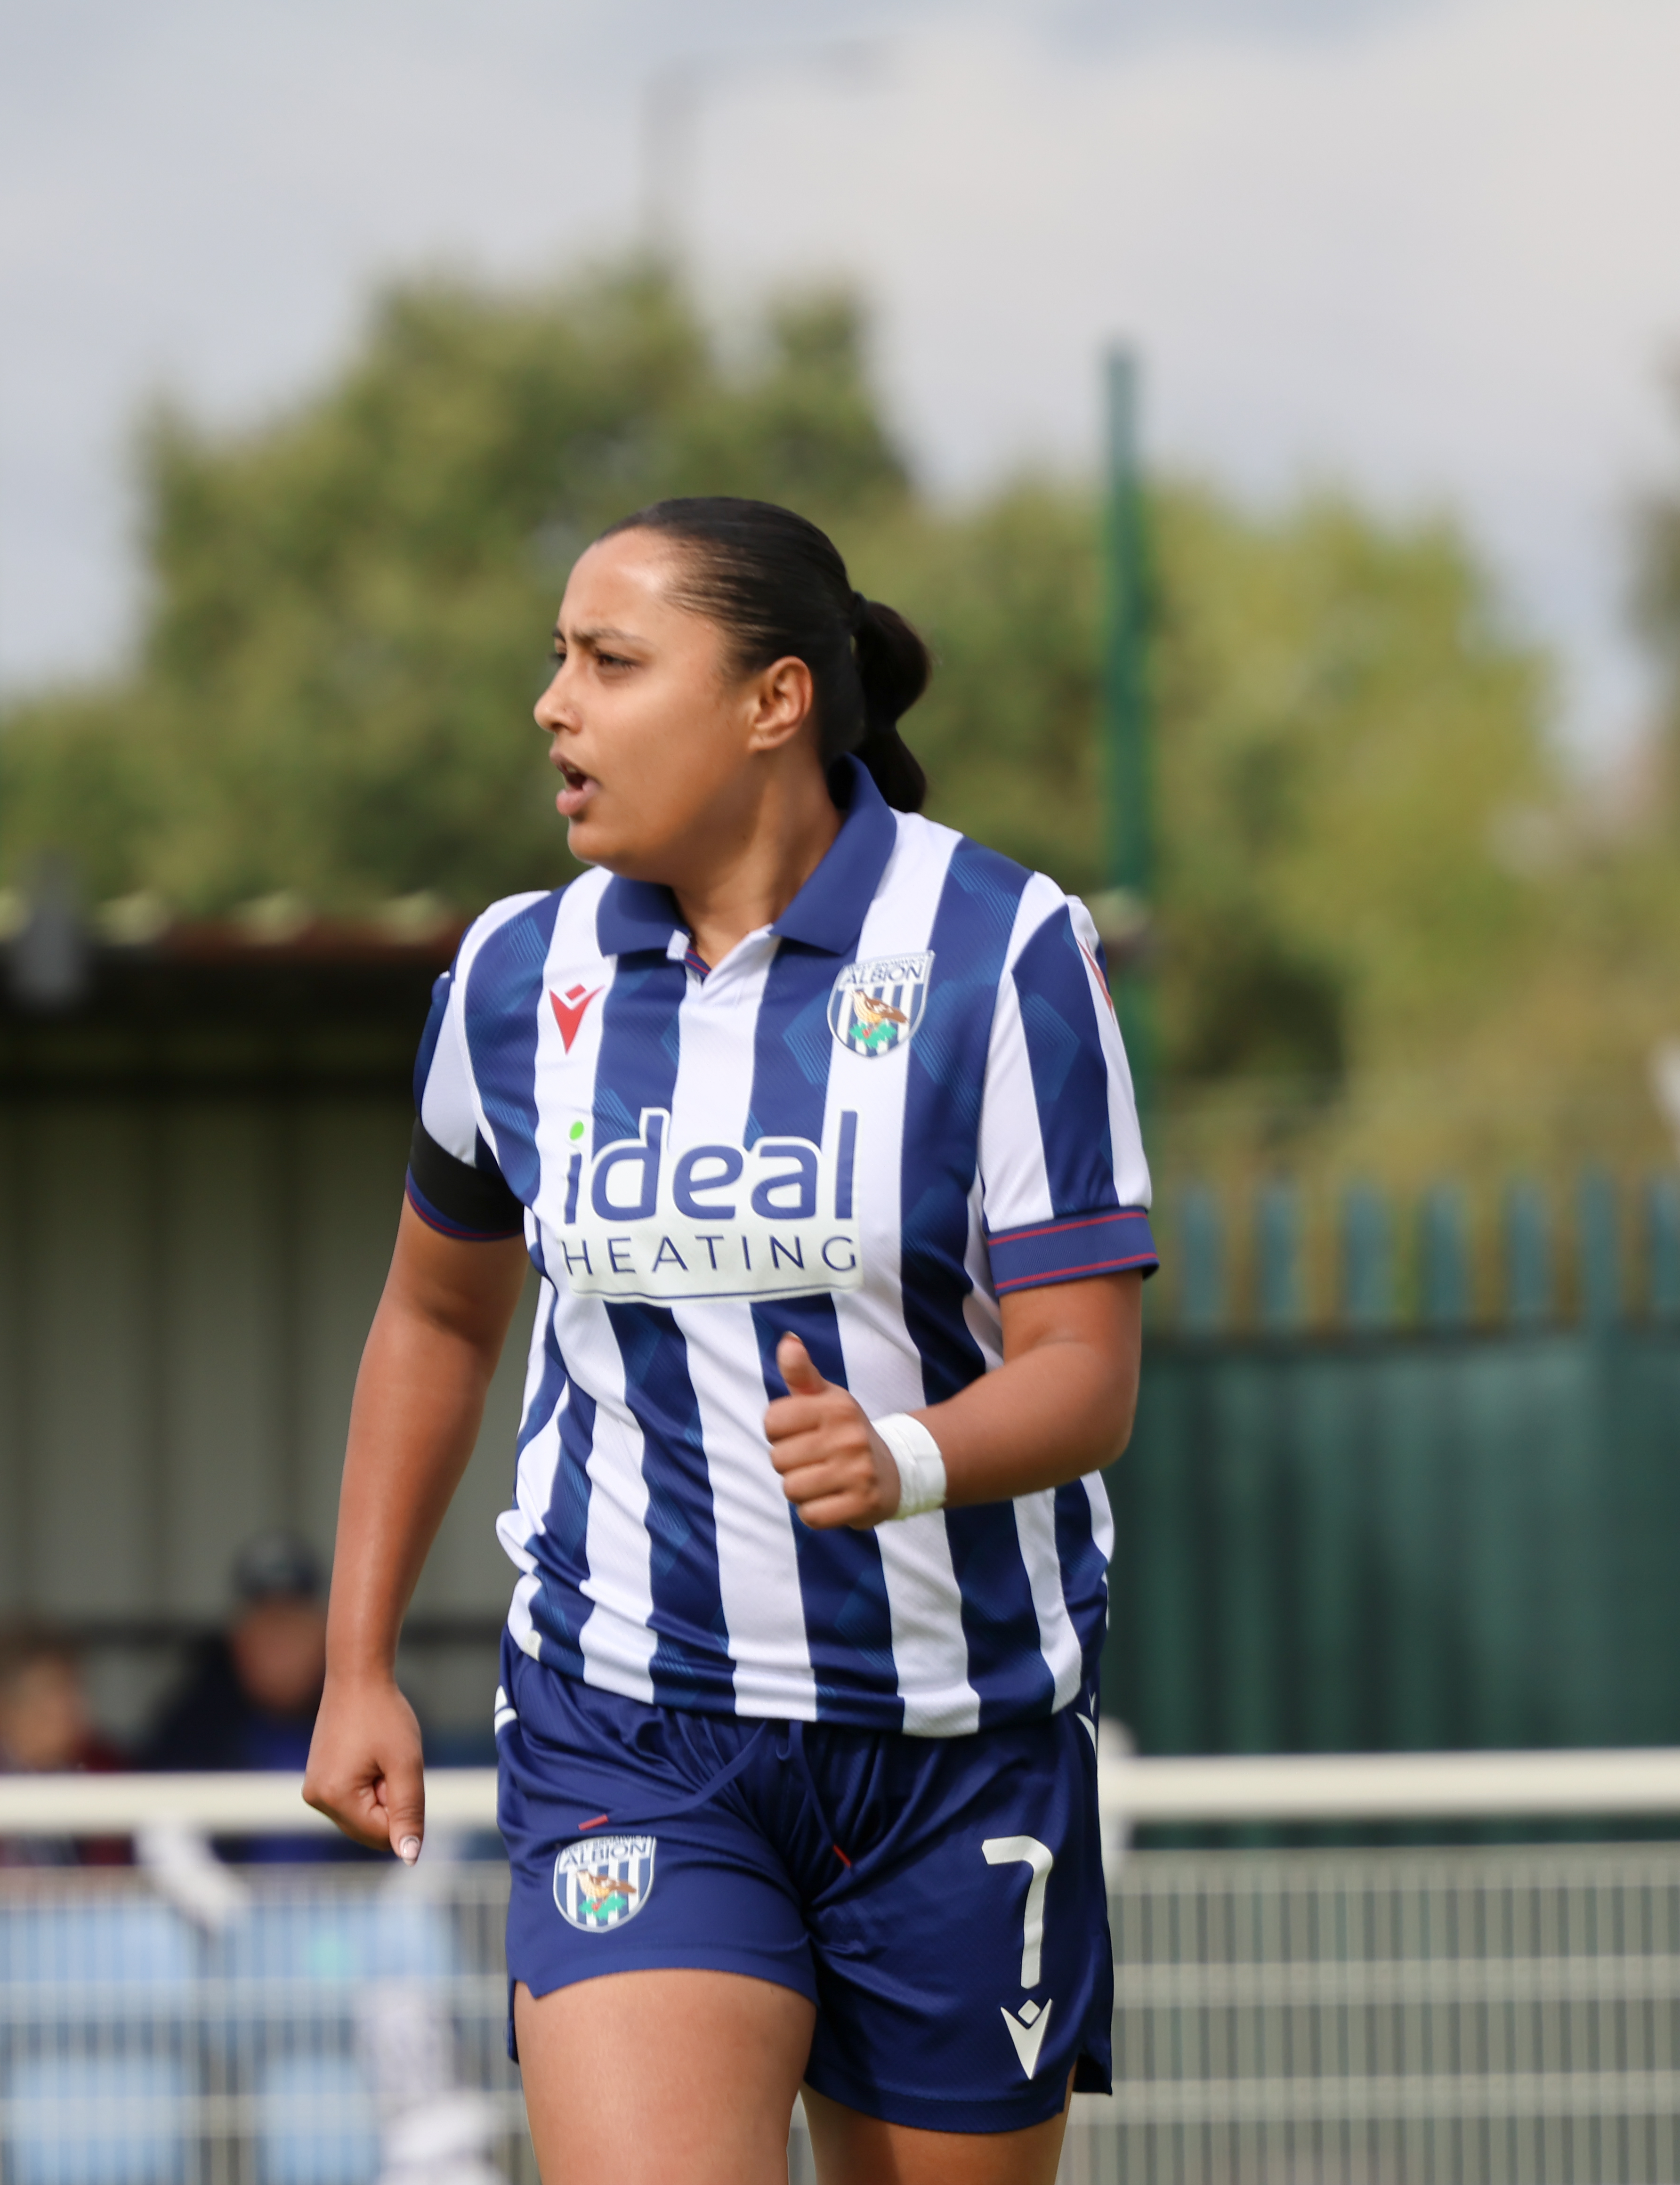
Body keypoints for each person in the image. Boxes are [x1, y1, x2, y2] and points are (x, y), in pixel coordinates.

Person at [303, 497, 1154, 2185]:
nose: (553, 703)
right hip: (634, 1728)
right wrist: (355, 1657)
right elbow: (432, 1314)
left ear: (772, 699)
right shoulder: (513, 975)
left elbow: (1084, 1368)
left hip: (953, 1745)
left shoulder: (1002, 952)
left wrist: (902, 1453)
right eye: (555, 658)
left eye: (607, 661)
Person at [137, 1532, 373, 1864]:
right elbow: (161, 1828)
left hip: (354, 1907)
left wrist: (379, 1910)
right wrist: (230, 1913)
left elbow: (429, 1817)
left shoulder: (370, 1708)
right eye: (267, 1628)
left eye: (291, 1627)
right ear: (239, 1639)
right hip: (227, 1907)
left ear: (325, 1634)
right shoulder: (193, 1723)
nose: (279, 1647)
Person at [0, 1622, 131, 1869]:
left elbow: (114, 1877)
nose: (77, 1710)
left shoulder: (102, 1766)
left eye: (76, 1692)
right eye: (54, 1695)